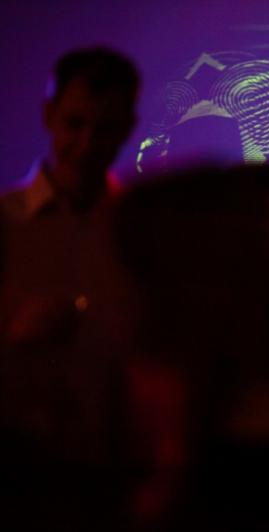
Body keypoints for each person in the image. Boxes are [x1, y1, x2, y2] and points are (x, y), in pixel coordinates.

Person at [0, 46, 140, 477]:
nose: (87, 145)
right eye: (75, 124)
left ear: (127, 128)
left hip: (113, 463)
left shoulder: (138, 229)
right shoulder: (5, 222)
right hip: (17, 461)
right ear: (48, 116)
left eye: (105, 129)